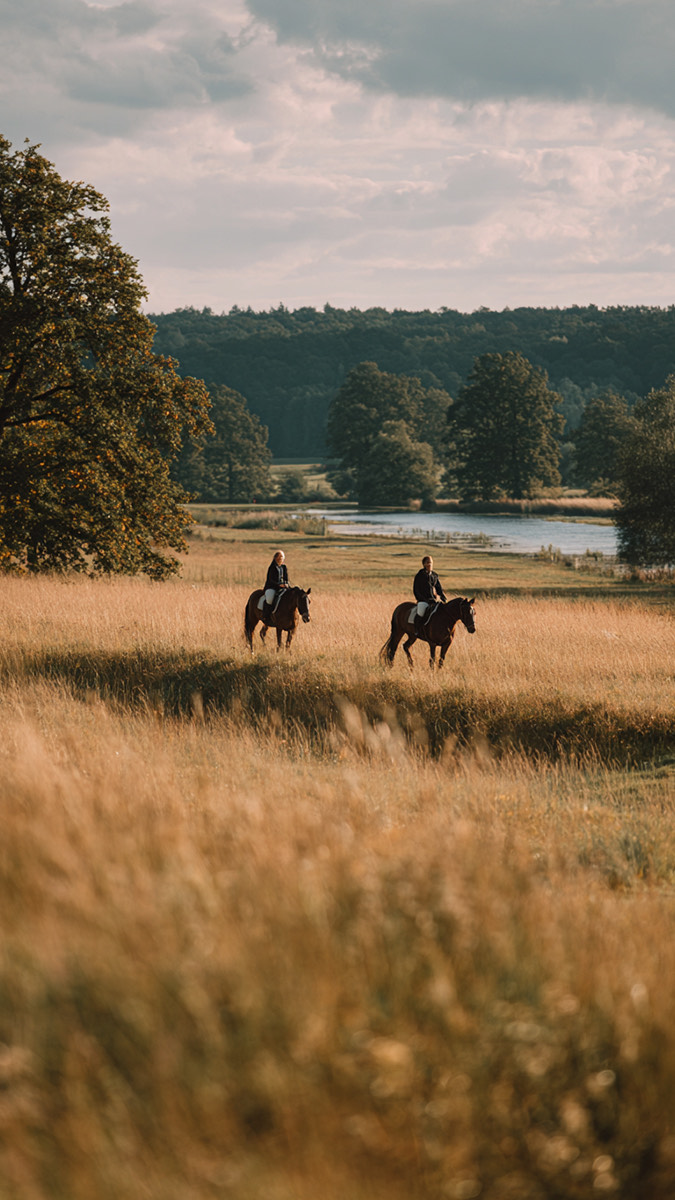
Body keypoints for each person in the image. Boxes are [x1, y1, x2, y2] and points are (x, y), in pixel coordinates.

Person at [412, 555, 447, 635]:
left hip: (433, 600)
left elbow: (439, 588)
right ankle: (416, 629)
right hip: (422, 601)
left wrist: (443, 598)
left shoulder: (435, 575)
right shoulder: (419, 575)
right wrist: (422, 599)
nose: (430, 564)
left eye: (431, 562)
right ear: (424, 564)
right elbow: (416, 590)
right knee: (421, 613)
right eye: (428, 562)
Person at [262, 550, 290, 624]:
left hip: (282, 587)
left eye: (282, 557)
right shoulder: (272, 567)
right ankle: (266, 615)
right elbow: (270, 580)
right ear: (276, 558)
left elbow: (286, 579)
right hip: (272, 587)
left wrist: (286, 584)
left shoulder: (284, 567)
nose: (281, 558)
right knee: (270, 598)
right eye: (280, 557)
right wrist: (278, 585)